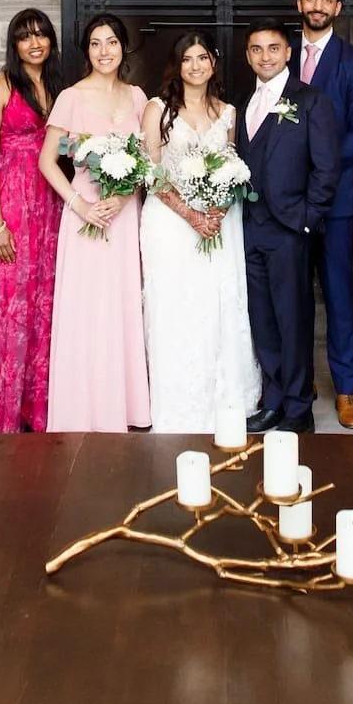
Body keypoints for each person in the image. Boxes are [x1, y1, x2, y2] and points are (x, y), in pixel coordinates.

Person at [140, 31, 261, 431]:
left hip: (218, 223)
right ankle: (178, 403)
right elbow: (150, 172)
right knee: (176, 307)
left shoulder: (227, 112)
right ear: (177, 66)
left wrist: (216, 210)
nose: (196, 66)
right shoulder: (157, 108)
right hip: (169, 222)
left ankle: (221, 399)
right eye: (188, 58)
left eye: (203, 58)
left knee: (217, 306)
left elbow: (232, 168)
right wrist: (190, 215)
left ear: (214, 62)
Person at [40, 15, 150, 432]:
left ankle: (124, 407)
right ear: (86, 51)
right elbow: (48, 160)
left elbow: (146, 161)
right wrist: (80, 204)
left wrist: (123, 198)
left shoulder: (139, 97)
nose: (104, 51)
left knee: (121, 305)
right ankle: (81, 409)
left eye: (112, 43)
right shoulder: (71, 96)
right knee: (87, 309)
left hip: (122, 217)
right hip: (85, 214)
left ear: (124, 48)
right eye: (95, 44)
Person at [0, 8, 61, 434]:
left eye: (41, 35)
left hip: (50, 204)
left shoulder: (58, 86)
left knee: (43, 303)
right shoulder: (2, 87)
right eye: (25, 37)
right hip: (10, 202)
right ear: (14, 44)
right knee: (8, 307)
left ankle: (34, 410)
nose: (35, 43)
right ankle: (0, 412)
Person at [241, 21, 339, 434]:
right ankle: (275, 399)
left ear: (288, 53)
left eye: (273, 48)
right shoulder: (243, 102)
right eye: (257, 49)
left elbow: (327, 166)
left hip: (289, 229)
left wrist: (306, 219)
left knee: (293, 319)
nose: (265, 56)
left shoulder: (310, 100)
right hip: (249, 227)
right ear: (248, 55)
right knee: (263, 319)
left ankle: (299, 408)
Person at [294, 0, 353, 428]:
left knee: (339, 294)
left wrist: (315, 161)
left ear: (339, 7)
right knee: (293, 296)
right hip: (288, 200)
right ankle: (298, 383)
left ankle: (346, 389)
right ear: (299, 4)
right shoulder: (279, 56)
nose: (318, 6)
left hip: (338, 198)